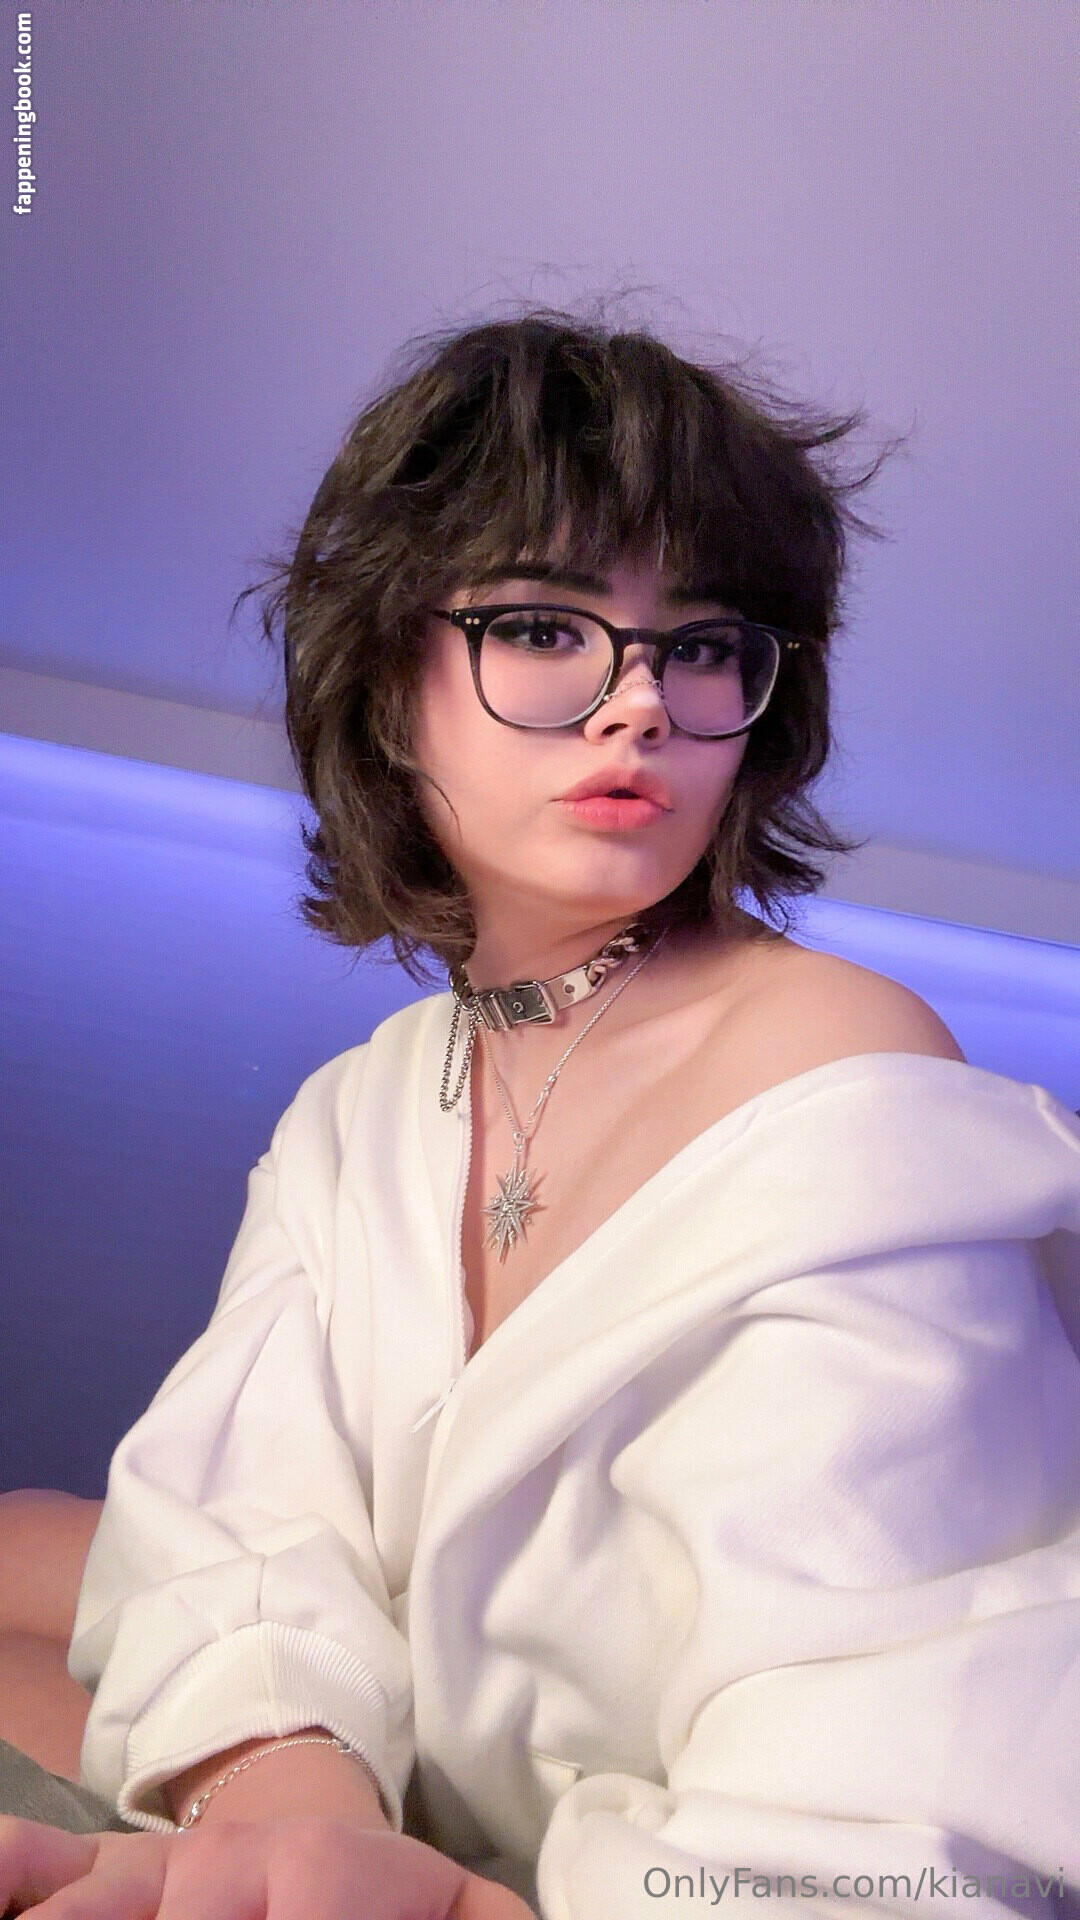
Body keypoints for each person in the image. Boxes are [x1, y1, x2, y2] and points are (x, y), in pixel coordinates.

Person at [1, 307, 1078, 1919]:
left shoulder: (839, 1069)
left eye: (700, 645)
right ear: (388, 682)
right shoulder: (366, 1106)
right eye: (544, 626)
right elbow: (243, 1531)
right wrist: (298, 1815)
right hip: (440, 1780)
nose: (638, 704)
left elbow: (883, 1764)